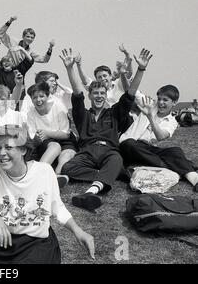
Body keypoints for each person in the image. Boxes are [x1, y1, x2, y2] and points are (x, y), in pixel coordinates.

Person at [0, 125, 95, 264]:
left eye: (8, 147)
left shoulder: (44, 171)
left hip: (39, 243)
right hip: (6, 243)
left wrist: (79, 232)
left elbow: (58, 207)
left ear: (23, 149)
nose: (2, 153)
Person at [59, 48, 152, 211]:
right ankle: (109, 174)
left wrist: (141, 69)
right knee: (68, 168)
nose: (99, 96)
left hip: (109, 150)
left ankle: (91, 191)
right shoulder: (83, 115)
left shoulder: (114, 112)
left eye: (102, 93)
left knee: (116, 160)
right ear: (90, 96)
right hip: (87, 152)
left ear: (106, 93)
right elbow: (77, 93)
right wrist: (69, 68)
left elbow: (129, 94)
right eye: (95, 93)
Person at [119, 87, 198, 192]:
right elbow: (131, 89)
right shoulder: (149, 104)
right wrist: (135, 72)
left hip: (147, 150)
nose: (161, 102)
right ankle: (179, 166)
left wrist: (150, 117)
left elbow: (160, 136)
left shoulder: (172, 122)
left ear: (174, 103)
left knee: (175, 150)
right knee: (129, 143)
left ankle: (194, 179)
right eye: (159, 99)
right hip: (129, 147)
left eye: (165, 100)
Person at [26, 82, 77, 183]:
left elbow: (66, 134)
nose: (38, 100)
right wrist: (37, 139)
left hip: (63, 138)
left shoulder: (58, 107)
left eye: (41, 96)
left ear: (48, 96)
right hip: (46, 142)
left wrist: (47, 133)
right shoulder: (31, 112)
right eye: (34, 97)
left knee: (68, 153)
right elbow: (33, 139)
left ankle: (58, 174)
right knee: (55, 146)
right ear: (31, 99)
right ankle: (37, 174)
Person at [0, 26, 34, 98]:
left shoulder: (19, 70)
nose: (6, 63)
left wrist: (22, 49)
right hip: (4, 98)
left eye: (9, 61)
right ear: (1, 64)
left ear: (13, 63)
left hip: (19, 98)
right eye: (4, 62)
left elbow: (30, 60)